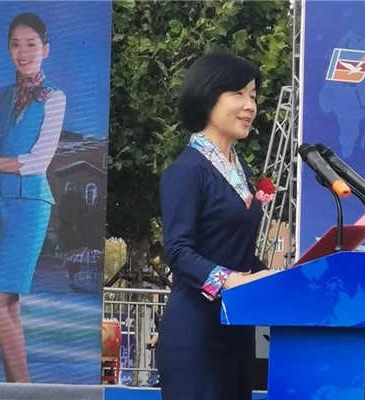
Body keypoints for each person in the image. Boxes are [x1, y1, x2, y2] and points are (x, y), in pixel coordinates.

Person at [157, 52, 272, 400]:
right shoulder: (187, 171)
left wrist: (275, 277)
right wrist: (232, 280)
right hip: (195, 333)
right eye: (238, 94)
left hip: (236, 329)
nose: (250, 106)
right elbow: (178, 250)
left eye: (253, 95)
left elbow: (236, 251)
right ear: (208, 96)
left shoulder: (243, 171)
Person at [0, 12, 66, 382]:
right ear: (8, 50)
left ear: (45, 49)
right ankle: (19, 389)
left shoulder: (55, 99)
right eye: (16, 44)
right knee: (8, 304)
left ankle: (21, 387)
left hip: (30, 207)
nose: (23, 52)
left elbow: (37, 161)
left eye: (31, 44)